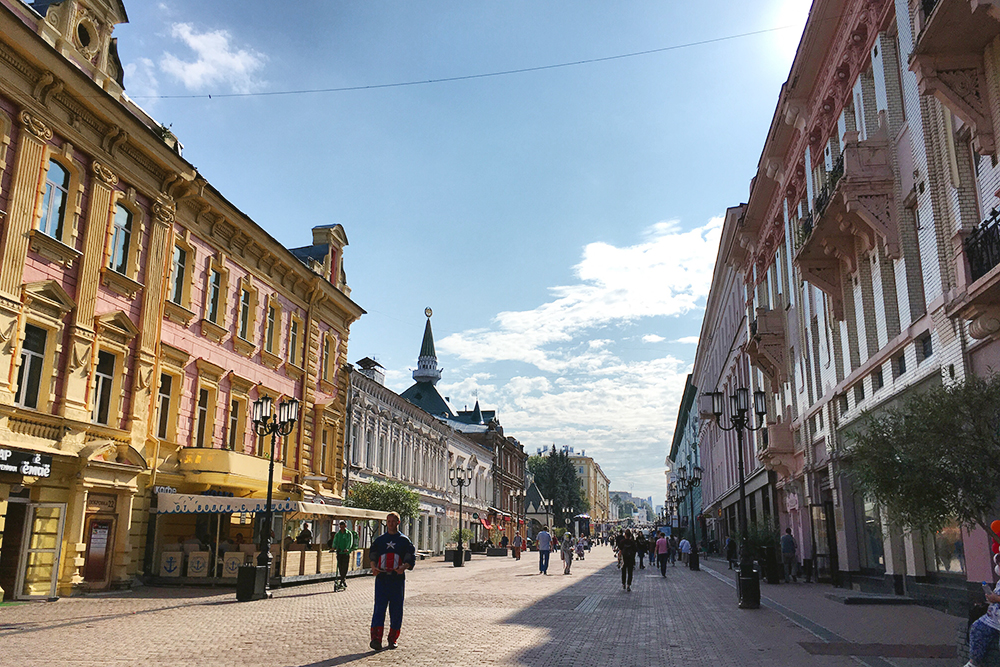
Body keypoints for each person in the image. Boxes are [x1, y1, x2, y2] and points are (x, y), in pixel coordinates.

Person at [369, 512, 415, 652]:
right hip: (382, 579)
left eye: (393, 521)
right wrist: (373, 567)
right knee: (379, 609)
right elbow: (373, 555)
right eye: (388, 521)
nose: (390, 524)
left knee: (396, 610)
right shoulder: (380, 540)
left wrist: (403, 567)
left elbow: (410, 558)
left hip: (396, 579)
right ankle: (376, 639)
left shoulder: (404, 540)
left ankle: (392, 638)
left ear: (398, 522)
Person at [964, 554, 1000, 667]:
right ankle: (974, 662)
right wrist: (991, 598)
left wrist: (997, 599)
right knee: (977, 629)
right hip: (993, 619)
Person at [331, 520, 358, 589]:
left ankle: (343, 579)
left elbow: (350, 542)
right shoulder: (338, 534)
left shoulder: (348, 534)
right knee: (340, 566)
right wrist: (333, 547)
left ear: (345, 526)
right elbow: (335, 541)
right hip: (339, 552)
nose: (342, 529)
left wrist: (347, 549)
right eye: (340, 527)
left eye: (343, 527)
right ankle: (342, 580)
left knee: (345, 567)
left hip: (345, 553)